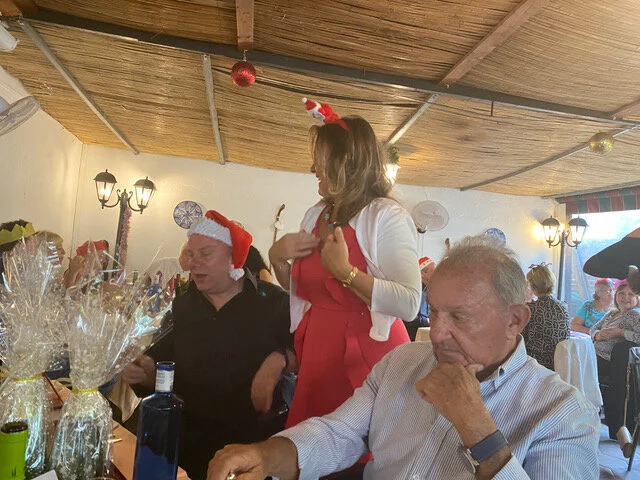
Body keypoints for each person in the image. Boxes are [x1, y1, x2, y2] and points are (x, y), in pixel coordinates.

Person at [207, 236, 600, 480]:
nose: (438, 333)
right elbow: (339, 433)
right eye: (436, 312)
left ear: (514, 320)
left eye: (459, 317)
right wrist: (265, 455)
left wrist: (477, 428)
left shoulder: (563, 412)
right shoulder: (403, 362)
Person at [268, 105, 420, 441]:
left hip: (369, 361)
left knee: (358, 452)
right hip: (318, 356)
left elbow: (409, 303)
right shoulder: (316, 216)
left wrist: (346, 272)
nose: (312, 169)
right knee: (310, 451)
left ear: (346, 162)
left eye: (320, 160)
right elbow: (303, 292)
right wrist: (277, 259)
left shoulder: (386, 216)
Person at [123, 210, 295, 480]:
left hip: (250, 449)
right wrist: (146, 372)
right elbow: (160, 364)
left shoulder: (274, 303)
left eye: (205, 254)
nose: (193, 263)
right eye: (191, 255)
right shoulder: (183, 305)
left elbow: (306, 355)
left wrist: (279, 359)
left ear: (233, 258)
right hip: (185, 444)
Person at [590, 280, 640, 439]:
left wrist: (620, 332)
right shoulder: (612, 313)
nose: (625, 297)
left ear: (637, 298)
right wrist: (597, 335)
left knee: (574, 367)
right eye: (621, 293)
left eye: (630, 294)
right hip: (594, 354)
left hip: (607, 360)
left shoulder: (634, 315)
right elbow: (593, 329)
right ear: (616, 295)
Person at [522, 263, 569, 370]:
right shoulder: (563, 307)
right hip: (559, 362)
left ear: (533, 287)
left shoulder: (531, 309)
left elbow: (520, 338)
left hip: (536, 363)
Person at [404, 256, 436, 341]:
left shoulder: (432, 290)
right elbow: (411, 317)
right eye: (433, 271)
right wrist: (429, 321)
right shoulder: (416, 291)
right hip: (412, 336)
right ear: (422, 274)